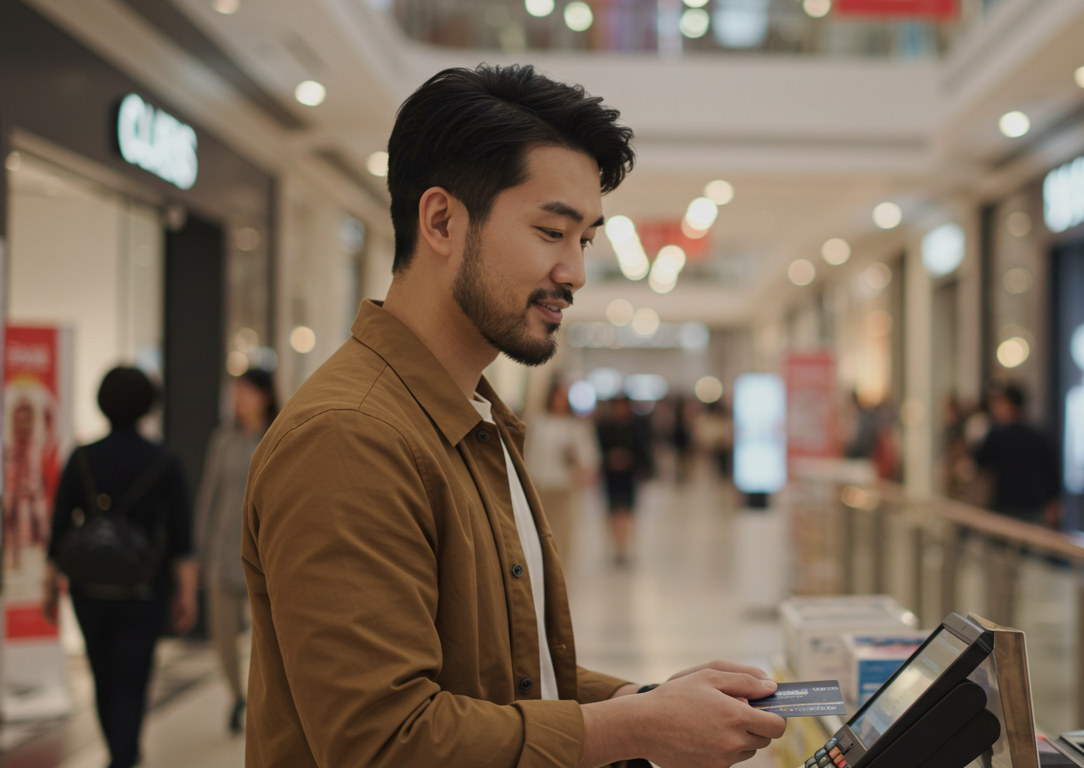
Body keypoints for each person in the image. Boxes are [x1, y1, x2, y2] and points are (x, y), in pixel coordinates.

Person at [242, 65, 785, 768]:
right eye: (551, 232)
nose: (575, 273)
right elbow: (381, 743)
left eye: (584, 239)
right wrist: (636, 729)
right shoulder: (351, 435)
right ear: (441, 220)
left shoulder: (473, 418)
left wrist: (645, 704)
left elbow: (504, 682)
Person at [44, 367, 197, 768]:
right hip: (143, 587)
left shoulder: (82, 457)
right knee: (133, 677)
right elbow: (181, 534)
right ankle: (124, 755)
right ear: (148, 405)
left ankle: (118, 752)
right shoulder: (163, 459)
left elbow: (60, 526)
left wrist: (49, 584)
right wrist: (186, 591)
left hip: (88, 587)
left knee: (103, 676)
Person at [194, 368, 277, 734]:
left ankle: (265, 702)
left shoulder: (277, 435)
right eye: (234, 393)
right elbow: (209, 496)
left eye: (244, 392)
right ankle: (237, 696)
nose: (238, 400)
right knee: (223, 638)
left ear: (264, 395)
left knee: (267, 639)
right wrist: (201, 550)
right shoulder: (223, 440)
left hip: (265, 557)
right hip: (223, 555)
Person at [525, 381, 599, 569]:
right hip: (538, 482)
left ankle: (558, 566)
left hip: (563, 485)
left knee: (561, 529)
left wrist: (581, 469)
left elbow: (588, 457)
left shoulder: (575, 426)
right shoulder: (538, 422)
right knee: (537, 527)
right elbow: (526, 451)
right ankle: (537, 564)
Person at [973, 382, 1061, 527]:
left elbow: (979, 462)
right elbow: (1052, 474)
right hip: (1033, 509)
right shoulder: (1039, 437)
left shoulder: (997, 436)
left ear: (1008, 405)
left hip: (1005, 509)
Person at [595, 396, 652, 565]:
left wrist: (630, 461)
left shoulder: (636, 427)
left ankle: (624, 548)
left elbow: (643, 452)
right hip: (611, 477)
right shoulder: (605, 427)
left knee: (627, 513)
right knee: (613, 512)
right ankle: (616, 546)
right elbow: (597, 452)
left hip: (629, 477)